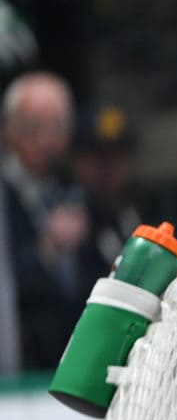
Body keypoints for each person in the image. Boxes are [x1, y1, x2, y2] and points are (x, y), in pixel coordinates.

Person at [1, 71, 109, 373]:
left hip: (78, 361)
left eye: (58, 126)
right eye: (34, 127)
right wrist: (46, 252)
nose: (47, 140)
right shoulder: (6, 199)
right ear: (9, 130)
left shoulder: (78, 192)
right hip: (20, 369)